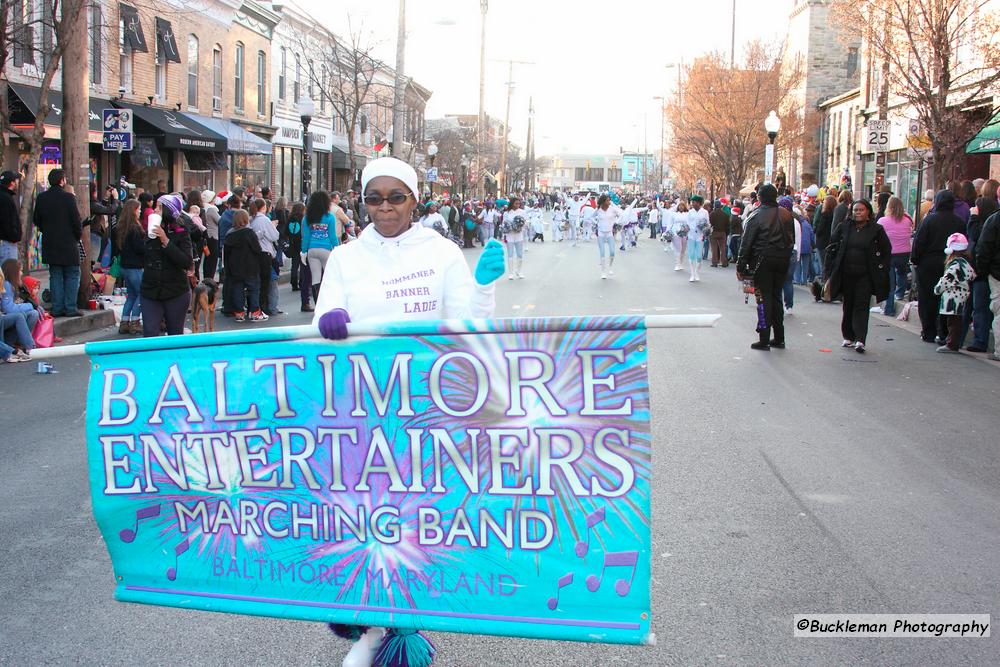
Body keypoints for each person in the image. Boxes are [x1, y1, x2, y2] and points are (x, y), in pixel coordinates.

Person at [824, 199, 892, 354]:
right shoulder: (844, 227)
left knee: (861, 305)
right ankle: (848, 336)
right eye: (855, 210)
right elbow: (832, 247)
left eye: (861, 210)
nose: (858, 213)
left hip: (865, 276)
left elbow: (886, 250)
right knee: (848, 305)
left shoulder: (876, 230)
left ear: (868, 212)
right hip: (846, 273)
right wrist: (829, 270)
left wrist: (882, 267)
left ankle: (860, 339)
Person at [737, 184, 795, 350]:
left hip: (763, 261)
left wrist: (741, 265)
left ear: (760, 197)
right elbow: (791, 239)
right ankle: (779, 337)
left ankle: (764, 337)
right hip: (782, 259)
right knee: (776, 296)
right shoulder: (786, 214)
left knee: (763, 299)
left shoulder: (756, 215)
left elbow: (746, 243)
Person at [911, 189, 966, 343]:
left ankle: (928, 331)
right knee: (946, 297)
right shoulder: (959, 222)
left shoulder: (929, 220)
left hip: (928, 263)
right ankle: (943, 332)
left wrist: (915, 259)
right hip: (950, 263)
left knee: (927, 298)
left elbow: (919, 242)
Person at [141, 194, 193, 337]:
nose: (155, 210)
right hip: (151, 290)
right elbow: (141, 256)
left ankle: (174, 360)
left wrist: (166, 240)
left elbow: (186, 262)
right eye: (155, 206)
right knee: (150, 333)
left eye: (159, 207)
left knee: (175, 334)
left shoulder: (181, 232)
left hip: (175, 291)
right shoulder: (150, 230)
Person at [33, 169, 83, 317]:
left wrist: (46, 230)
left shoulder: (42, 198)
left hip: (50, 243)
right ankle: (70, 307)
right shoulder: (68, 198)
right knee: (72, 275)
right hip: (68, 243)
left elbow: (37, 220)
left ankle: (57, 307)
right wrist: (76, 236)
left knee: (55, 275)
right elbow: (76, 221)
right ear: (62, 181)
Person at [963, 196, 998, 352]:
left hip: (984, 273)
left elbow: (980, 243)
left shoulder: (988, 223)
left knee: (980, 308)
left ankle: (980, 340)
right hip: (986, 272)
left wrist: (973, 217)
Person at [223, 209, 268, 322]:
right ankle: (255, 312)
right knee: (254, 289)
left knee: (237, 289)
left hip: (235, 268)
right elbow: (257, 249)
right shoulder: (249, 233)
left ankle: (239, 313)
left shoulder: (229, 234)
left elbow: (226, 253)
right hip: (250, 266)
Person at [934, 233, 976, 353]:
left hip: (952, 298)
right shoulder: (965, 263)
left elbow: (946, 280)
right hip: (962, 296)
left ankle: (952, 344)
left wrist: (937, 289)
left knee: (953, 322)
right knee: (956, 321)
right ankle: (952, 342)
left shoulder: (955, 265)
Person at [876, 196, 914, 316]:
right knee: (902, 273)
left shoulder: (882, 221)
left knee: (889, 282)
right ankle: (900, 293)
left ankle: (889, 308)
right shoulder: (907, 220)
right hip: (904, 252)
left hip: (889, 253)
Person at [301, 190, 339, 307]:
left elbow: (305, 236)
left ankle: (318, 305)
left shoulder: (307, 218)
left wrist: (303, 251)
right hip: (326, 249)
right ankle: (328, 304)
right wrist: (337, 249)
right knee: (329, 278)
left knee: (315, 278)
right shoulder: (330, 217)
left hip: (312, 250)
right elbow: (332, 236)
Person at [115, 200, 145, 334]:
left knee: (131, 295)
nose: (140, 212)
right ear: (133, 210)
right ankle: (134, 321)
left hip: (125, 266)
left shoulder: (121, 227)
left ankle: (124, 322)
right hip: (135, 266)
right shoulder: (135, 228)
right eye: (138, 209)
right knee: (141, 293)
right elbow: (139, 248)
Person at [0, 260, 38, 361]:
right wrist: (29, 305)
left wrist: (30, 306)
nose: (21, 273)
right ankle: (31, 348)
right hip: (3, 316)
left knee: (33, 314)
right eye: (20, 270)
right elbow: (8, 308)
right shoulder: (7, 285)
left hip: (4, 316)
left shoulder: (14, 285)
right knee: (19, 316)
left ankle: (18, 344)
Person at [593, 194, 622, 279]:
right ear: (603, 201)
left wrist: (615, 222)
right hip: (601, 233)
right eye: (607, 200)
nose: (609, 202)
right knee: (602, 253)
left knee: (612, 252)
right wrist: (596, 223)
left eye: (609, 200)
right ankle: (603, 272)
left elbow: (621, 214)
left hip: (609, 233)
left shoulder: (612, 209)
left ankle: (610, 267)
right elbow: (591, 217)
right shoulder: (598, 210)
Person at [500, 197, 528, 279]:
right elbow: (503, 224)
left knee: (520, 255)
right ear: (512, 204)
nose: (518, 205)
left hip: (519, 235)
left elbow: (525, 223)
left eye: (519, 203)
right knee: (510, 255)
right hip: (510, 236)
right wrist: (504, 235)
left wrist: (520, 227)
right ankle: (511, 273)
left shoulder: (522, 212)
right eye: (516, 203)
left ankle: (519, 271)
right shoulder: (506, 213)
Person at [0, 170, 22, 262]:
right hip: (7, 243)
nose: (17, 182)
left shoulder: (5, 196)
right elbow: (7, 221)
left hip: (6, 241)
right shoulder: (6, 199)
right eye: (16, 180)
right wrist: (15, 237)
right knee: (9, 273)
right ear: (12, 183)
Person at [201, 190, 221, 280]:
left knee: (208, 258)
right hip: (213, 236)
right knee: (212, 259)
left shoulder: (204, 208)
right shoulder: (211, 209)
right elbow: (220, 221)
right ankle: (209, 279)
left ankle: (207, 277)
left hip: (207, 236)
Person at [709, 200, 729, 267]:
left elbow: (710, 223)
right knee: (722, 248)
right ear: (720, 206)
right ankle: (724, 262)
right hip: (722, 232)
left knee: (714, 248)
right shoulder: (725, 214)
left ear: (714, 206)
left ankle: (714, 263)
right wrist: (726, 233)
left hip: (714, 232)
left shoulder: (712, 213)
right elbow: (727, 225)